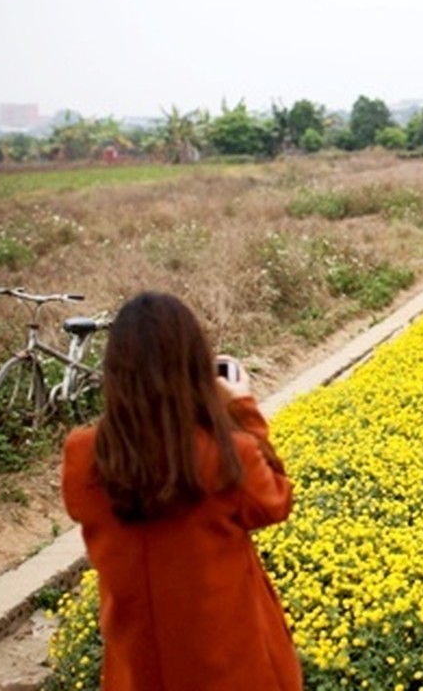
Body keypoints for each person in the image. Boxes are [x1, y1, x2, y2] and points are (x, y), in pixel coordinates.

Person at [61, 292, 302, 691]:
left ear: (115, 370)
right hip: (233, 670)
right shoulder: (227, 454)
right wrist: (242, 409)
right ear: (194, 367)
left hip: (136, 674)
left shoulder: (84, 456)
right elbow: (276, 500)